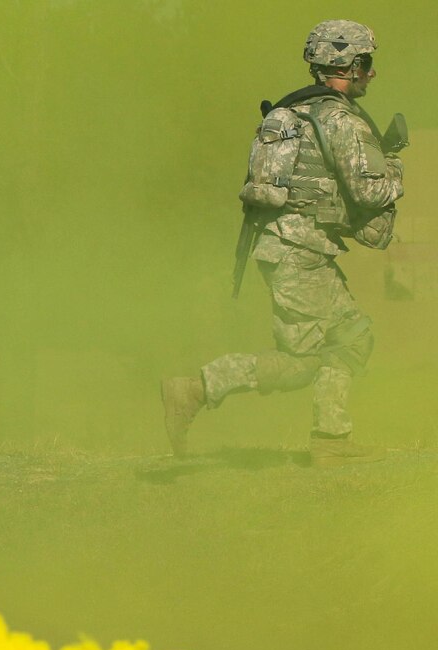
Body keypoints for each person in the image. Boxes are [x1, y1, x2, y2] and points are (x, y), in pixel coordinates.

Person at [161, 20, 403, 466]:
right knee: (299, 363)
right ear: (347, 65)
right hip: (300, 253)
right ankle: (196, 389)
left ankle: (331, 439)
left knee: (350, 336)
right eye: (365, 64)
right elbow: (370, 192)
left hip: (293, 248)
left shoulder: (290, 113)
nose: (371, 74)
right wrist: (394, 166)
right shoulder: (341, 121)